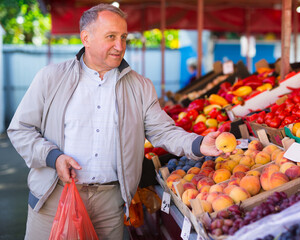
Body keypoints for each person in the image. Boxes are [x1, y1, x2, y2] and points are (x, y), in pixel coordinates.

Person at [7, 3, 229, 240]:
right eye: (111, 36)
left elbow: (162, 131)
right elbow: (21, 129)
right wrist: (54, 157)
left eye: (123, 37)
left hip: (109, 202)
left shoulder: (140, 86)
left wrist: (198, 143)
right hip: (54, 196)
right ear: (86, 38)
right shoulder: (51, 78)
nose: (120, 45)